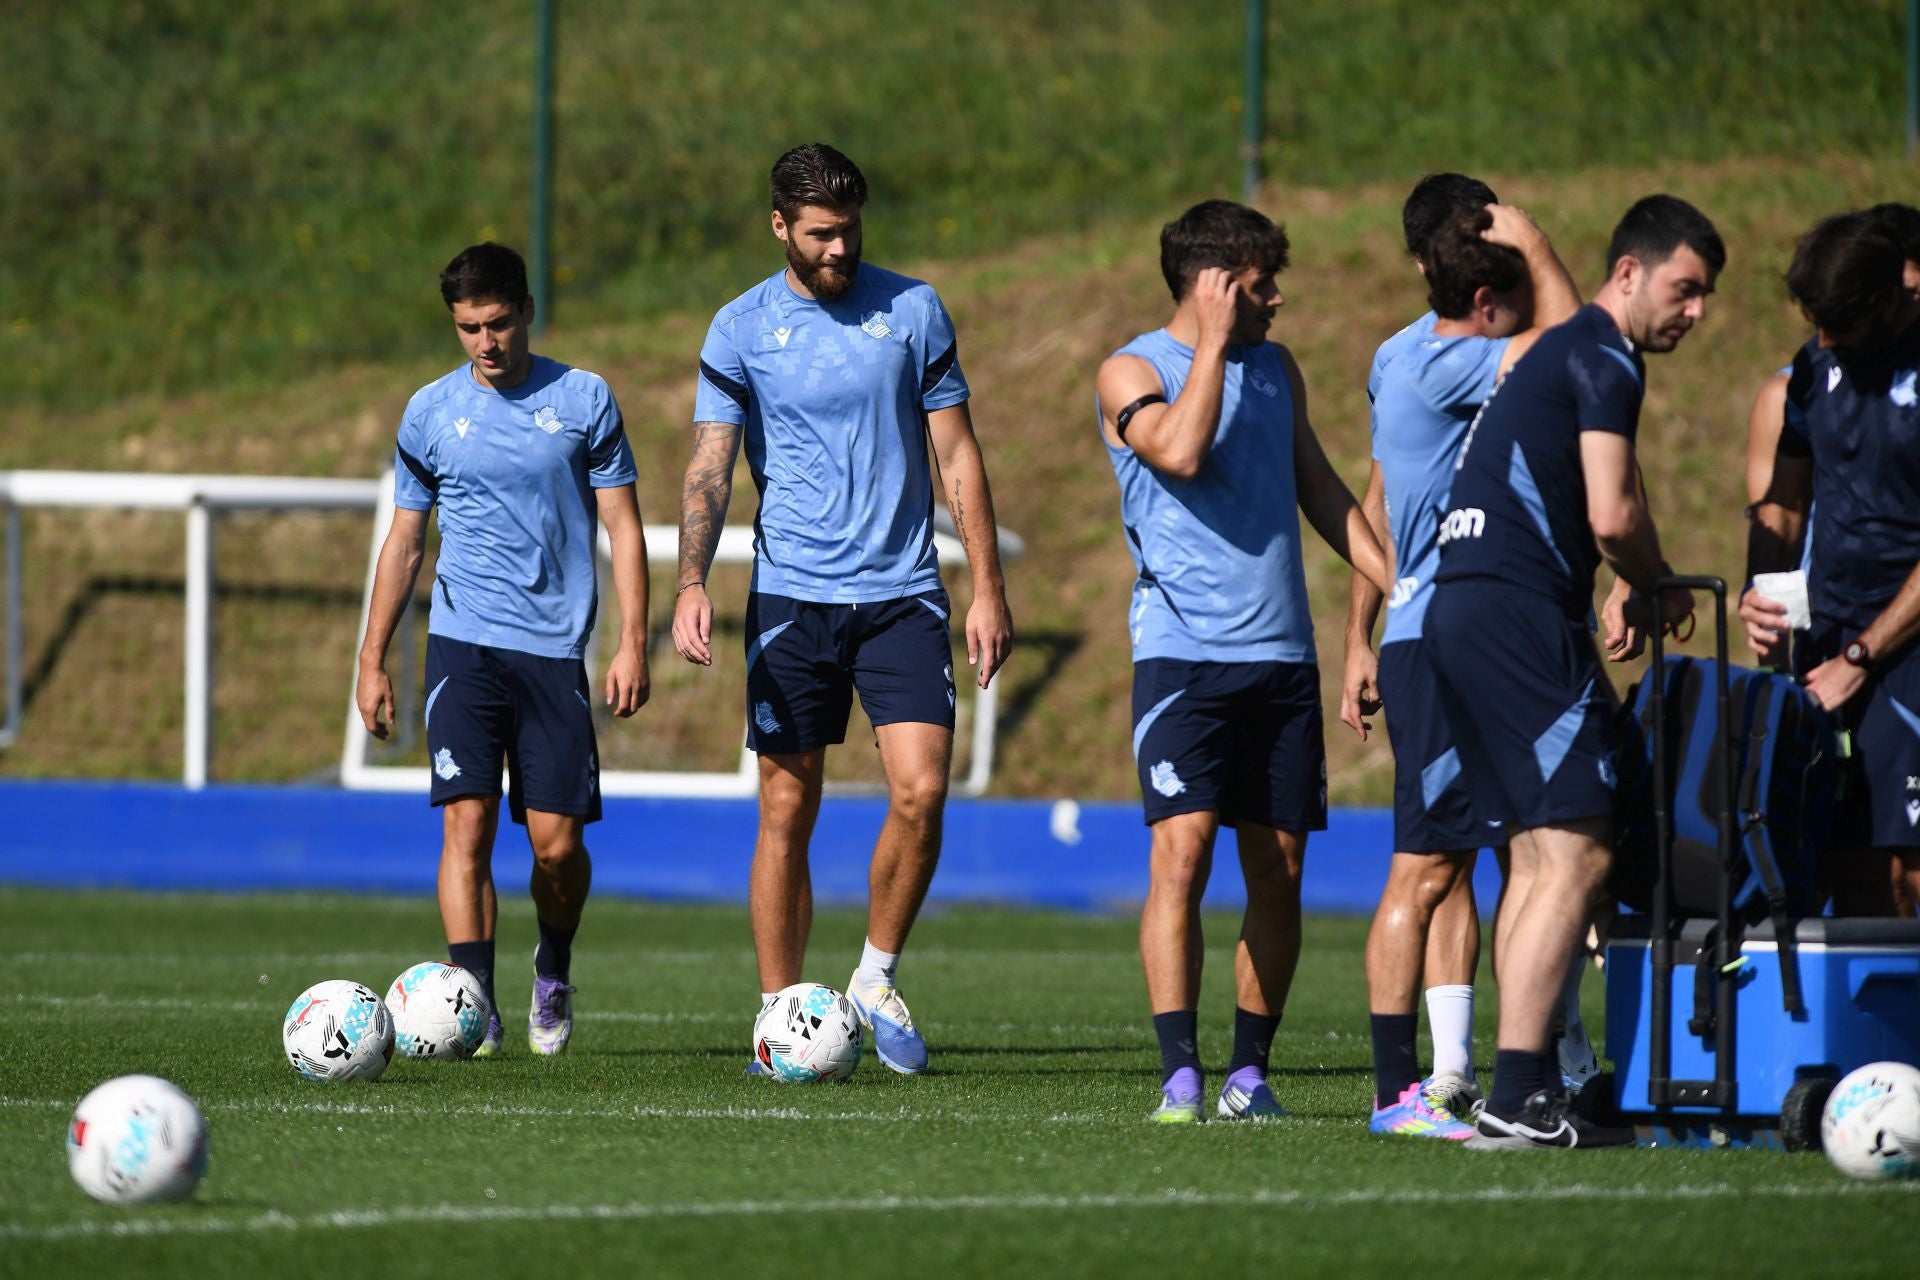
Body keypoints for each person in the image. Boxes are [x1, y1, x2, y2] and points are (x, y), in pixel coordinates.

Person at [672, 143, 1013, 1076]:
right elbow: (710, 465)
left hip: (903, 592)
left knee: (922, 789)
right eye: (820, 232)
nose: (839, 246)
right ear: (779, 225)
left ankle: (873, 976)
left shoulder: (914, 309)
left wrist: (987, 586)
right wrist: (691, 581)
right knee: (788, 806)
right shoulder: (739, 327)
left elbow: (959, 456)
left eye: (850, 228)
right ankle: (781, 1015)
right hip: (792, 598)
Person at [1425, 194, 1722, 1148]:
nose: (1698, 312)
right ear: (1628, 272)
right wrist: (1657, 583)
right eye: (1686, 288)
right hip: (1518, 614)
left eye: (1708, 295)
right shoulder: (1602, 353)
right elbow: (1611, 512)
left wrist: (1637, 577)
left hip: (1460, 609)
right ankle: (1521, 1095)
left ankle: (1521, 1092)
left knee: (1538, 854)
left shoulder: (1556, 351)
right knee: (1582, 851)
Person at [1094, 199, 1393, 1123]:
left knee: (1281, 872)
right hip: (1182, 661)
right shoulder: (1131, 370)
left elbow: (1322, 488)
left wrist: (1398, 580)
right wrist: (1217, 345)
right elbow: (1179, 452)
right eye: (1263, 283)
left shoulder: (1278, 370)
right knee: (1180, 859)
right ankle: (1180, 1073)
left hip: (1282, 662)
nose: (1278, 301)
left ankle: (1247, 1074)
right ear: (1216, 284)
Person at [356, 242, 650, 1056]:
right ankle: (474, 1009)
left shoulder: (585, 399)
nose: (484, 342)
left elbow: (623, 527)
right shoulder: (429, 413)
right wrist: (371, 657)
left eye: (495, 323)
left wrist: (631, 641)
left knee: (557, 849)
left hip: (554, 653)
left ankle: (553, 965)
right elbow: (405, 540)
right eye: (466, 328)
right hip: (462, 643)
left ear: (525, 310)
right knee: (467, 829)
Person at [1347, 204, 1581, 1139]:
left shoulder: (1409, 357)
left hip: (1457, 629)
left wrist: (1361, 630)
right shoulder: (1443, 358)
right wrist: (1540, 244)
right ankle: (1399, 1093)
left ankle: (1502, 1069)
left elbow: (1380, 492)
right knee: (1432, 863)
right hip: (1449, 633)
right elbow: (1578, 345)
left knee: (1508, 849)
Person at [1742, 205, 1920, 916]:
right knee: (1837, 859)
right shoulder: (1816, 368)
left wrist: (1863, 653)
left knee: (1906, 870)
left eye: (1837, 319)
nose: (1819, 337)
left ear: (1890, 297)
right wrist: (1767, 594)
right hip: (1830, 650)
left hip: (1899, 651)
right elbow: (1784, 506)